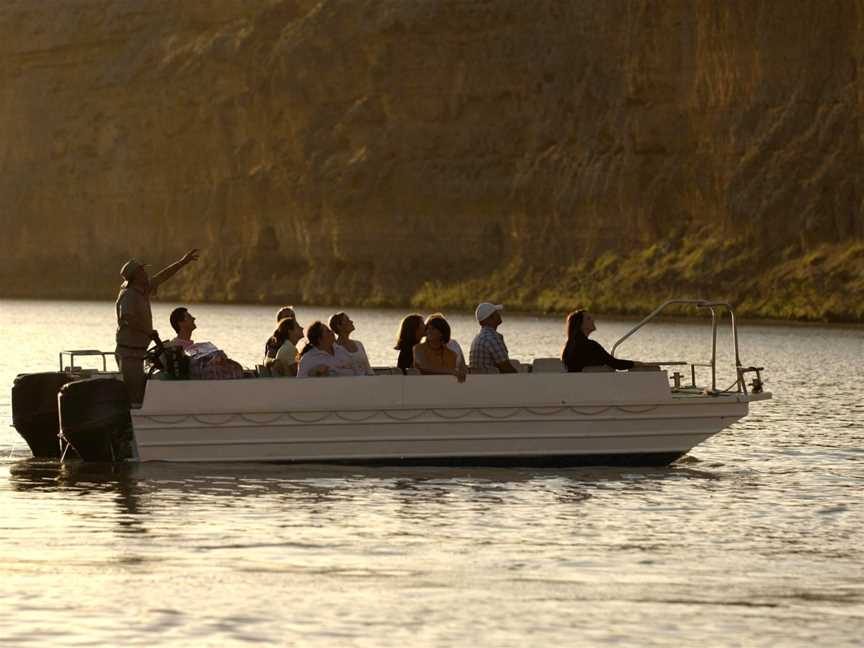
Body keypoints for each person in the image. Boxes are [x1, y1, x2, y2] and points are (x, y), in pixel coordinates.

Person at [115, 249, 199, 404]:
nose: (145, 272)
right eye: (142, 270)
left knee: (141, 392)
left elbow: (163, 276)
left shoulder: (143, 289)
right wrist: (147, 331)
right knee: (136, 397)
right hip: (129, 354)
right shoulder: (128, 295)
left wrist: (182, 262)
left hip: (139, 353)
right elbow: (126, 319)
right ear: (135, 276)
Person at [561, 309, 655, 372]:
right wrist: (637, 363)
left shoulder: (569, 346)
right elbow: (615, 363)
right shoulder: (589, 346)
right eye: (588, 318)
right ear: (580, 325)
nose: (593, 320)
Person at [413, 315, 466, 382]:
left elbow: (462, 368)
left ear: (442, 333)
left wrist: (460, 370)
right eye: (428, 328)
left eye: (433, 329)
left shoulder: (451, 354)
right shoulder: (418, 349)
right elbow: (425, 368)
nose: (429, 331)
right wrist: (451, 372)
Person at [468, 302, 517, 373]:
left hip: (483, 381)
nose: (499, 315)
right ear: (490, 317)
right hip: (493, 381)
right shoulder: (491, 337)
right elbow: (506, 368)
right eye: (496, 313)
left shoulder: (478, 338)